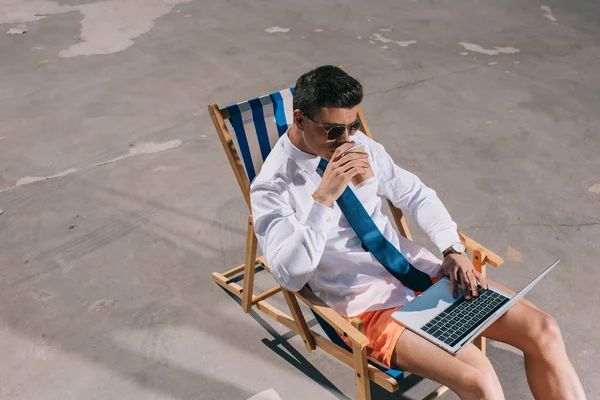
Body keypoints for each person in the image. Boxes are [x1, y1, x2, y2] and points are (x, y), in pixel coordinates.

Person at [250, 65, 586, 400]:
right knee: (479, 379)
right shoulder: (272, 188)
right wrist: (323, 198)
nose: (347, 140)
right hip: (368, 306)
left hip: (420, 274)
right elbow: (290, 276)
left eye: (352, 126)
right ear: (299, 120)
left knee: (544, 330)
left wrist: (452, 249)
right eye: (334, 130)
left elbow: (417, 194)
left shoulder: (358, 144)